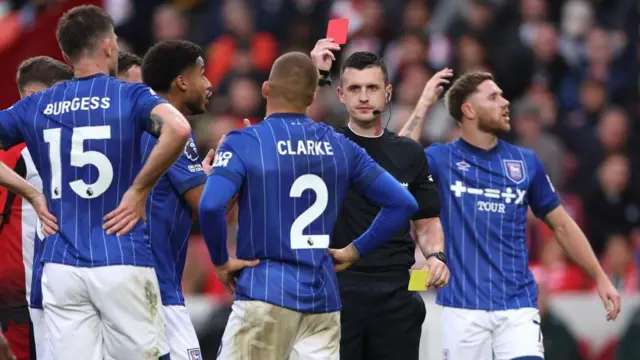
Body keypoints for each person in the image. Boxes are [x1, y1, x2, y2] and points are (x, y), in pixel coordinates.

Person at [0, 5, 193, 359]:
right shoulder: (129, 95)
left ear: (66, 53)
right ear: (107, 45)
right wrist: (139, 191)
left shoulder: (37, 104)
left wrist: (31, 194)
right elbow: (178, 128)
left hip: (60, 265)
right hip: (120, 254)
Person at [199, 51, 419, 360]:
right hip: (323, 299)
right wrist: (354, 251)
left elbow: (210, 206)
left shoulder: (246, 141)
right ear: (312, 96)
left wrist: (221, 262)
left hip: (265, 291)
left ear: (265, 89)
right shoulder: (342, 146)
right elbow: (402, 202)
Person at [399, 71, 620, 360]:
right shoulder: (441, 159)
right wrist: (425, 102)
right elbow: (395, 164)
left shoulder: (525, 162)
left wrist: (600, 276)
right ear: (468, 109)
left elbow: (563, 226)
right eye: (493, 97)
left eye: (502, 95)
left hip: (518, 307)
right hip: (463, 309)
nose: (505, 102)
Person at [310, 42, 451, 360]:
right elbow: (291, 118)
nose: (363, 96)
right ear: (341, 95)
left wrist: (435, 257)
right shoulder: (321, 145)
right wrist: (316, 73)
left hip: (397, 293)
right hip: (337, 289)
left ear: (387, 92)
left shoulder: (409, 152)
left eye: (372, 87)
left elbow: (427, 220)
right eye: (354, 88)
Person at [119, 42, 212, 360]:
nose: (209, 84)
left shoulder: (128, 130)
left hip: (130, 283)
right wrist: (235, 171)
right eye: (202, 73)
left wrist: (204, 176)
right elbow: (209, 207)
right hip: (157, 290)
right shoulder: (171, 130)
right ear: (182, 81)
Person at [0, 56, 73, 360]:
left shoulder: (62, 145)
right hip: (18, 298)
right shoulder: (14, 151)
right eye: (59, 97)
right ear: (32, 98)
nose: (65, 107)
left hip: (56, 292)